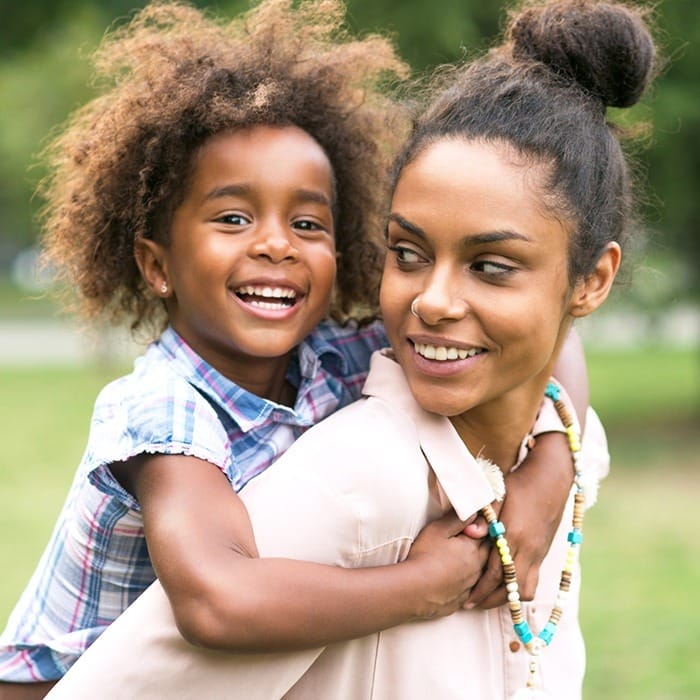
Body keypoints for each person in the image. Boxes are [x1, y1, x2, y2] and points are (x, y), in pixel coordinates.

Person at [42, 0, 657, 698]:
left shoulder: (332, 352)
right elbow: (216, 600)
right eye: (234, 218)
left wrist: (547, 472)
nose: (275, 244)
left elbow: (551, 349)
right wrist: (425, 584)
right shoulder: (163, 411)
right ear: (157, 265)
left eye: (306, 222)